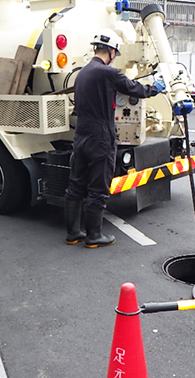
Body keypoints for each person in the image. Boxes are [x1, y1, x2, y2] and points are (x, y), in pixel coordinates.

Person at [64, 29, 165, 248]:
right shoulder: (108, 73)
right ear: (111, 51)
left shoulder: (83, 73)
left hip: (81, 133)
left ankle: (73, 233)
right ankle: (94, 236)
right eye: (115, 54)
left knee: (76, 185)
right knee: (99, 186)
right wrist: (154, 89)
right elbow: (134, 88)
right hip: (100, 134)